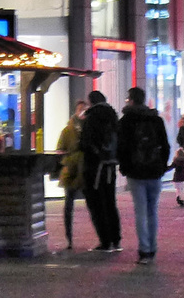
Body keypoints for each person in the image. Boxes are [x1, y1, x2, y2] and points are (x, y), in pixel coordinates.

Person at [118, 86, 171, 264]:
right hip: (155, 171)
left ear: (131, 100)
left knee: (140, 211)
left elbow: (121, 147)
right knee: (152, 211)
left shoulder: (126, 121)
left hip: (135, 172)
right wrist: (162, 166)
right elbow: (165, 145)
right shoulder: (156, 120)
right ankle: (153, 247)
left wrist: (124, 168)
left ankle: (144, 250)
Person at [79, 89, 123, 253]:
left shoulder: (92, 117)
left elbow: (85, 143)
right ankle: (116, 239)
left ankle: (105, 241)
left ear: (91, 101)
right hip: (110, 165)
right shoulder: (113, 116)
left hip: (94, 167)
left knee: (96, 203)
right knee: (110, 203)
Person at [55, 101, 88, 249]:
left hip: (84, 169)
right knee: (69, 204)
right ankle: (69, 238)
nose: (81, 112)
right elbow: (60, 149)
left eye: (84, 109)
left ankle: (103, 238)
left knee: (92, 204)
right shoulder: (67, 130)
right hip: (72, 171)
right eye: (80, 109)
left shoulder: (89, 129)